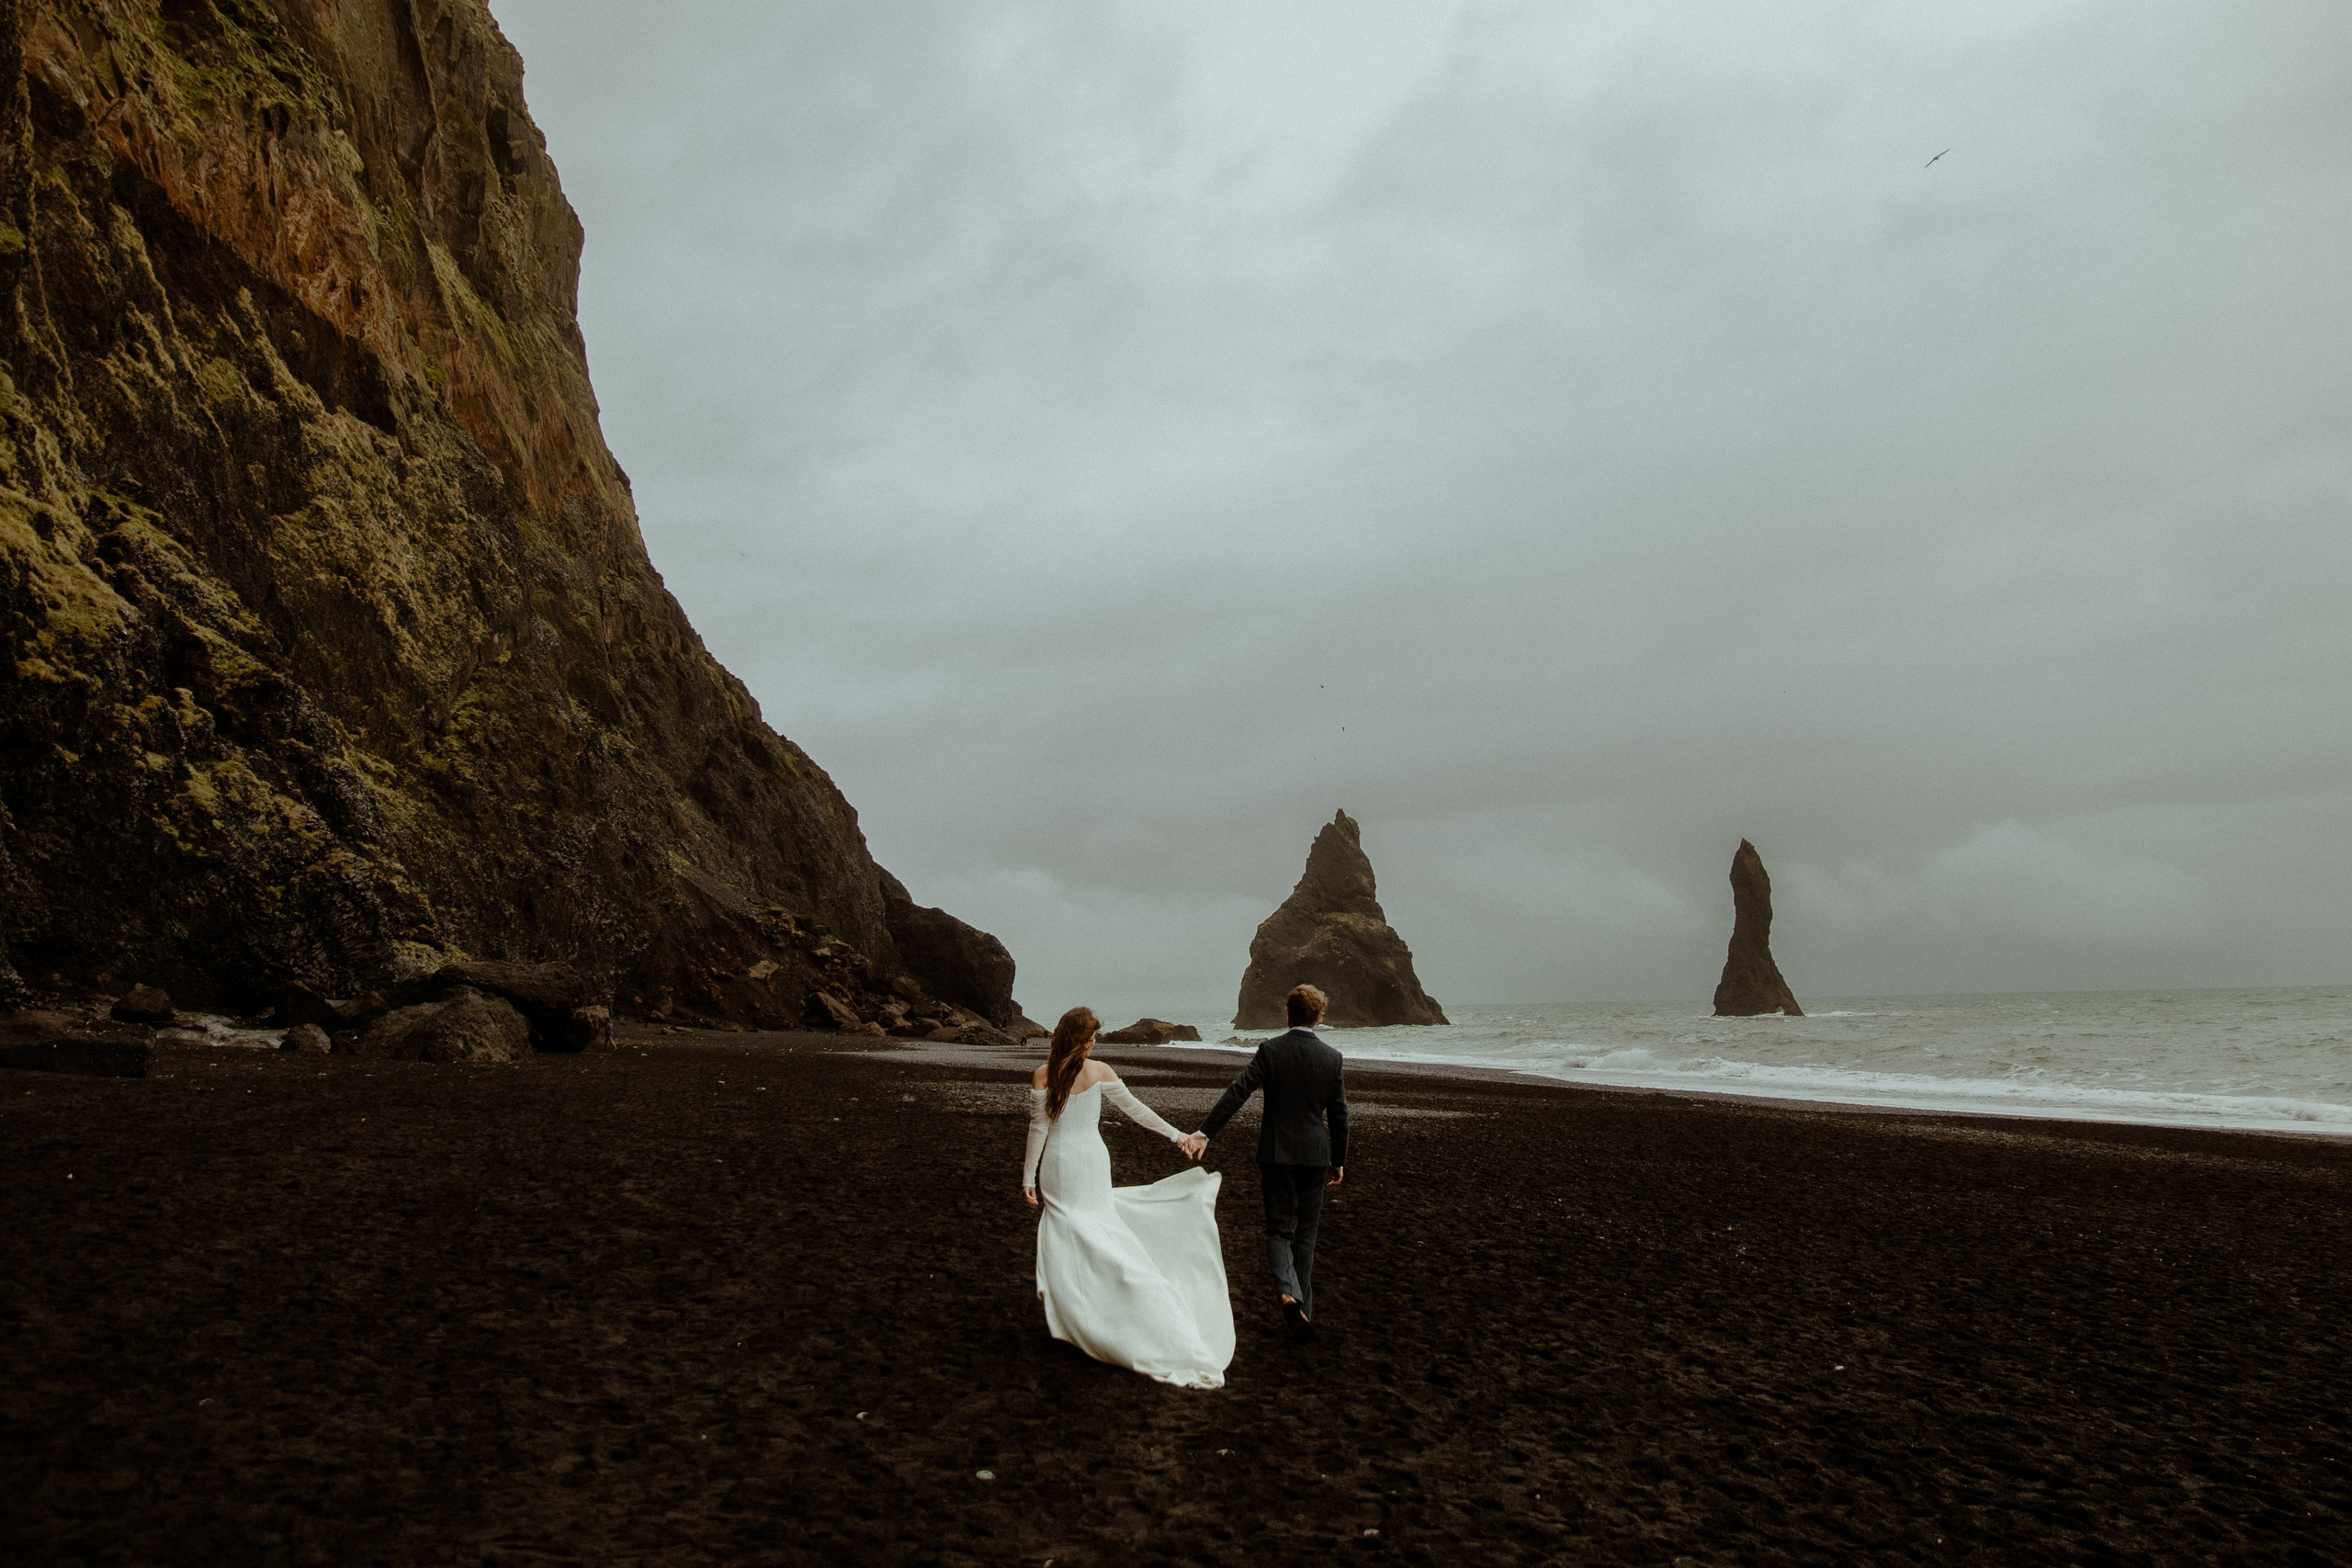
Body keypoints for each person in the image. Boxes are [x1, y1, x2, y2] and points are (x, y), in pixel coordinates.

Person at [1022, 1005, 1235, 1389]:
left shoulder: (1042, 1074)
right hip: (1091, 1163)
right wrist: (1178, 1136)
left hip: (1058, 1166)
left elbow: (1038, 1129)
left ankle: (1084, 1310)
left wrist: (1028, 1178)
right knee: (1099, 1230)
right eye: (1090, 1039)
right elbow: (1137, 1111)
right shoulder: (1099, 1071)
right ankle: (1108, 1303)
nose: (1092, 1045)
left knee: (1072, 1234)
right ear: (1080, 1040)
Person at [1193, 983, 1348, 1341]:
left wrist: (1205, 1132)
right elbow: (1340, 1115)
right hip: (1316, 1155)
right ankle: (1302, 1312)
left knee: (1280, 1231)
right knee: (1306, 1238)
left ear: (1288, 1013)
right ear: (1318, 1017)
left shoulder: (1270, 1050)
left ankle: (1289, 1295)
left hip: (1277, 1153)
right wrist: (1338, 1161)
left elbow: (1239, 1090)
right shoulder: (1332, 1058)